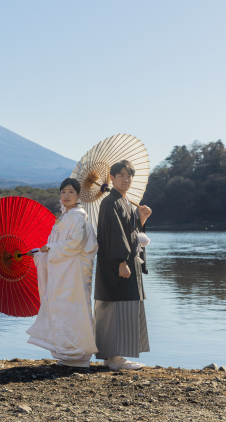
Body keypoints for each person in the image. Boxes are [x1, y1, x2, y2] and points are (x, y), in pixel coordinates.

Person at [26, 177, 98, 368]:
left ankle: (78, 354)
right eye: (63, 192)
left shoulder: (78, 216)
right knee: (64, 310)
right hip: (64, 272)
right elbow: (60, 245)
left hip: (72, 273)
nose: (66, 195)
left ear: (78, 195)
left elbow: (76, 244)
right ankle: (68, 353)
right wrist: (40, 253)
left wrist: (50, 248)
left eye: (71, 192)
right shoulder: (67, 216)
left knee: (74, 310)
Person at [94, 159, 153, 371]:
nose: (126, 179)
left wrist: (141, 220)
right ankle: (116, 359)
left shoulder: (125, 202)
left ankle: (112, 357)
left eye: (129, 176)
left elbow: (132, 234)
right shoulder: (110, 202)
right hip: (116, 265)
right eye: (121, 175)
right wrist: (120, 262)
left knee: (120, 307)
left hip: (126, 263)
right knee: (116, 307)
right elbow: (114, 236)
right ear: (112, 178)